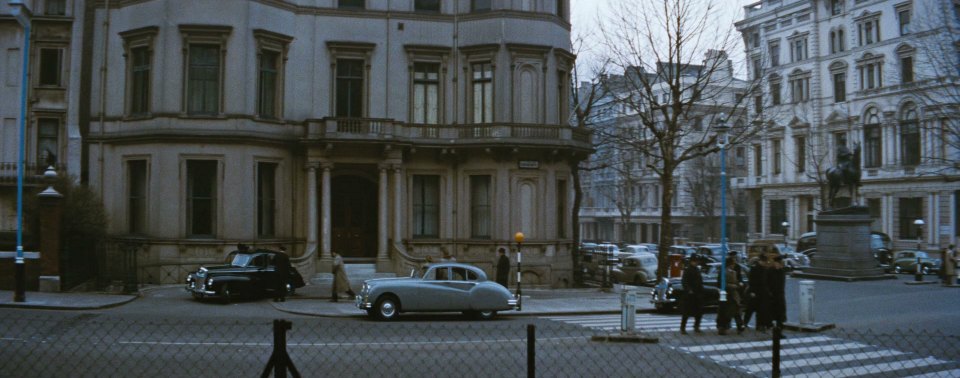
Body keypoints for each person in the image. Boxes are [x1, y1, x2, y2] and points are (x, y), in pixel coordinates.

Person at [742, 254, 770, 332]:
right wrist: (751, 291)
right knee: (750, 309)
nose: (765, 263)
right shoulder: (754, 269)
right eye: (764, 262)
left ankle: (760, 325)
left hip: (762, 292)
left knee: (761, 310)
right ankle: (745, 322)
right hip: (755, 291)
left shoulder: (765, 269)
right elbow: (751, 281)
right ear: (760, 261)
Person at [717, 256, 744, 335]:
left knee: (736, 311)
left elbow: (735, 281)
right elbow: (722, 284)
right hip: (727, 295)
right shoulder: (724, 272)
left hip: (733, 295)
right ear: (730, 264)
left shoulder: (733, 272)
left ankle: (739, 326)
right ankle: (725, 327)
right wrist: (734, 286)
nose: (734, 265)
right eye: (733, 263)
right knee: (729, 312)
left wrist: (738, 283)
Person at [679, 255, 705, 335]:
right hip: (690, 295)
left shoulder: (697, 269)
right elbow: (684, 282)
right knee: (686, 312)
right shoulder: (688, 270)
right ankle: (683, 327)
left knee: (699, 312)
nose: (696, 263)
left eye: (697, 261)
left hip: (697, 293)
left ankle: (696, 326)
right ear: (691, 261)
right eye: (695, 261)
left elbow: (700, 281)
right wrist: (689, 290)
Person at [768, 254, 787, 333]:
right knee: (771, 313)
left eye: (781, 263)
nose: (781, 264)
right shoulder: (770, 271)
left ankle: (780, 330)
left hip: (780, 295)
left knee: (780, 314)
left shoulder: (782, 271)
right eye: (779, 263)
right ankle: (771, 327)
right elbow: (767, 283)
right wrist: (769, 293)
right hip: (772, 295)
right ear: (776, 263)